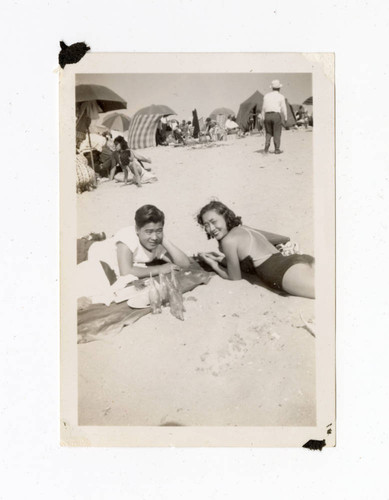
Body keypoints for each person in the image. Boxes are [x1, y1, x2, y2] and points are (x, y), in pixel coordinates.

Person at [196, 201, 314, 298]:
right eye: (206, 225)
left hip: (283, 273)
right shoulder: (244, 228)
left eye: (213, 222)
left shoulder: (228, 241)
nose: (211, 228)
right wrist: (219, 259)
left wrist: (212, 264)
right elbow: (276, 241)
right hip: (297, 260)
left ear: (225, 217)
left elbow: (234, 277)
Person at [87, 205, 191, 283]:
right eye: (149, 232)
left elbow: (184, 264)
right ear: (137, 229)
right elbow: (126, 271)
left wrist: (164, 239)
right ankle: (92, 237)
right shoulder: (128, 235)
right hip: (86, 253)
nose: (154, 237)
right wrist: (160, 269)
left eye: (159, 230)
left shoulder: (156, 241)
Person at [261, 79, 288, 154]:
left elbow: (263, 108)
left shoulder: (266, 96)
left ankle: (266, 146)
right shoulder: (281, 96)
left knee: (268, 132)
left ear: (272, 88)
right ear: (279, 88)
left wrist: (263, 117)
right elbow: (284, 108)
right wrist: (285, 118)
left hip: (267, 115)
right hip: (276, 115)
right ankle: (277, 149)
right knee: (277, 132)